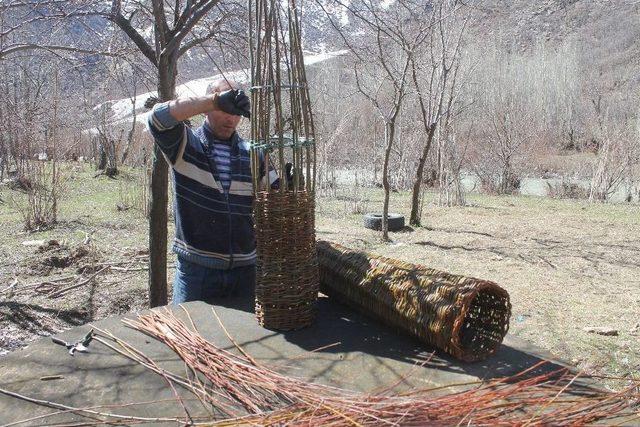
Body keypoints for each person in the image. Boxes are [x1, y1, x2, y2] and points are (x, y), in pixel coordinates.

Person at [147, 78, 277, 305]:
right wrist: (214, 101)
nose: (231, 118)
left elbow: (277, 193)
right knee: (189, 336)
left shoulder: (254, 154)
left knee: (243, 338)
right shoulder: (187, 144)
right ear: (207, 109)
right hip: (197, 272)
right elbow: (157, 119)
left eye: (236, 112)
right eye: (225, 110)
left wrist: (290, 184)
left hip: (245, 272)